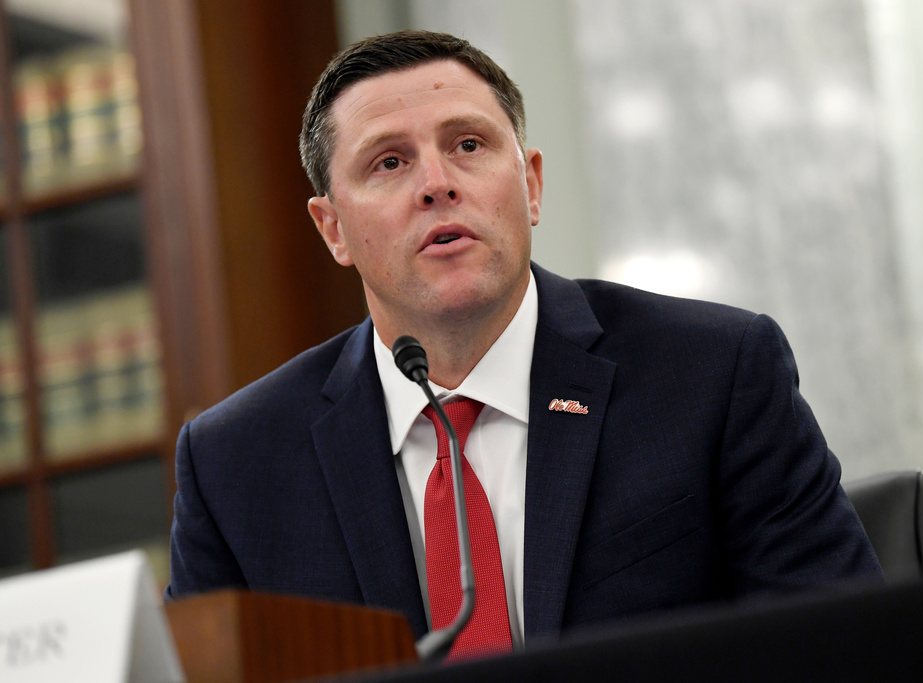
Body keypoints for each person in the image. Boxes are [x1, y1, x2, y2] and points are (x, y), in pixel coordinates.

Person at [166, 30, 881, 658]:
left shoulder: (712, 374)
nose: (437, 184)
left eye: (467, 145)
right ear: (332, 229)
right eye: (389, 162)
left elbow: (846, 649)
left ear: (531, 185)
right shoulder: (235, 465)